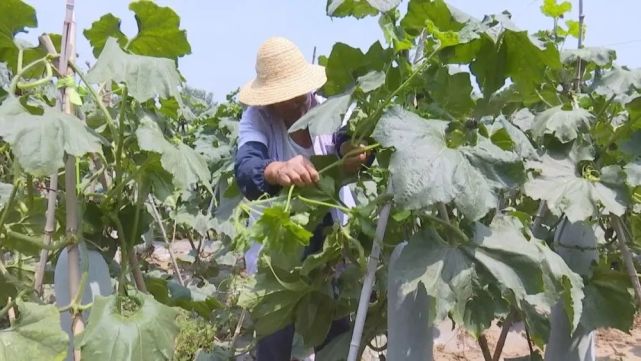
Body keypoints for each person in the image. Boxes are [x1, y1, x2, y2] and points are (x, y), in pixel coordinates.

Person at [234, 36, 368, 361]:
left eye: (299, 93)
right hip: (279, 254)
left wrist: (356, 153)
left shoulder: (326, 109)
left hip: (330, 245)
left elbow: (349, 143)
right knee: (274, 346)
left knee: (333, 338)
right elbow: (246, 168)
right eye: (286, 97)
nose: (297, 101)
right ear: (268, 100)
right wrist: (277, 169)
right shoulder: (256, 119)